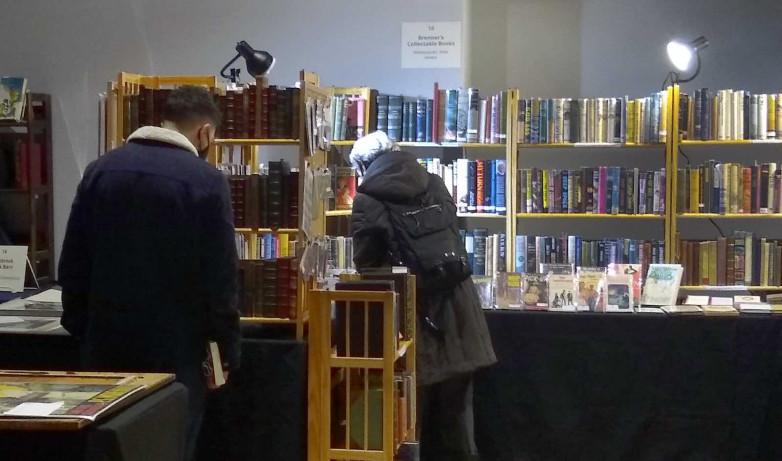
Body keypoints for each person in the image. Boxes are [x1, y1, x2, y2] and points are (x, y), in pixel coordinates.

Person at [58, 86, 240, 461]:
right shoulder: (207, 182)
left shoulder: (100, 170)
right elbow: (220, 282)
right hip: (176, 355)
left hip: (105, 348)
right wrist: (225, 354)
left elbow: (72, 264)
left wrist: (82, 330)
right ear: (205, 133)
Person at [349, 131, 496, 461]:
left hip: (411, 319)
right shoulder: (435, 183)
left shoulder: (367, 200)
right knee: (458, 416)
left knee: (407, 419)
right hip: (459, 312)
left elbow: (368, 266)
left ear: (363, 167)